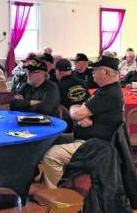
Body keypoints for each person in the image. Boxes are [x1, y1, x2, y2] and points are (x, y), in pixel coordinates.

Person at [42, 56, 124, 188]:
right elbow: (79, 109)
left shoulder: (108, 94)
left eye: (95, 70)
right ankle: (58, 181)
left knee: (51, 156)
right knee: (48, 141)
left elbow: (76, 114)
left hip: (93, 146)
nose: (92, 73)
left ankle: (54, 194)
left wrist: (77, 113)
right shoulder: (106, 90)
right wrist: (79, 113)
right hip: (90, 140)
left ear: (106, 73)